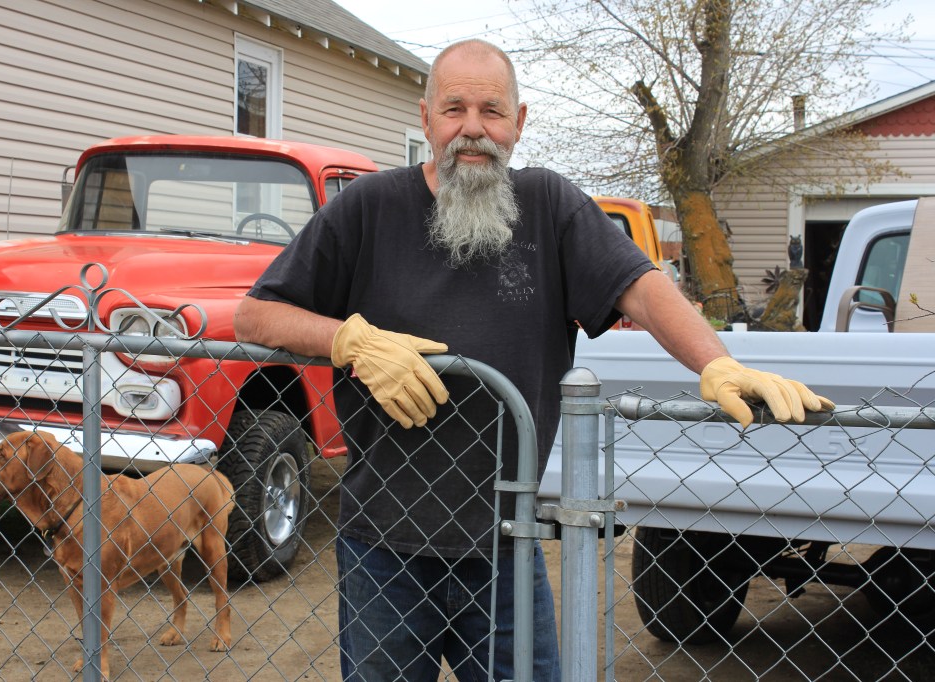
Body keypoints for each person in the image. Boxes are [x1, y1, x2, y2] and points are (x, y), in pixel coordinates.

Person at [234, 39, 833, 682]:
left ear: (519, 124)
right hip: (381, 541)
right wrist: (350, 340)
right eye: (454, 108)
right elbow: (256, 314)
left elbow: (643, 288)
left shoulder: (549, 207)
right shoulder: (367, 208)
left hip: (506, 544)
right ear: (426, 118)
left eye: (492, 110)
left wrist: (715, 363)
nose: (472, 128)